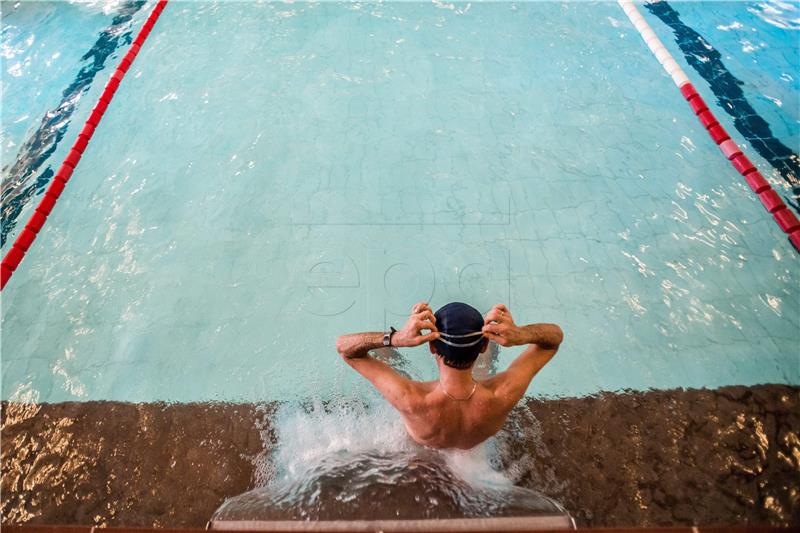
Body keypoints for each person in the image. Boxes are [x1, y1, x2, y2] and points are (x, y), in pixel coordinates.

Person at [336, 302, 563, 449]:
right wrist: (520, 335)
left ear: (432, 348)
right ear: (482, 346)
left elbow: (346, 350)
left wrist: (397, 338)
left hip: (425, 439)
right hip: (479, 423)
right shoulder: (503, 393)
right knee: (489, 361)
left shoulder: (409, 397)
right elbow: (553, 340)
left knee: (384, 351)